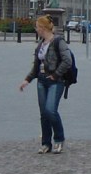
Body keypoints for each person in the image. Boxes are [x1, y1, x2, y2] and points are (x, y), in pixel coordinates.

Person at [19, 15, 72, 153]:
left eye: (37, 26)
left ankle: (59, 139)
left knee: (50, 110)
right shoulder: (41, 44)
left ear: (42, 28)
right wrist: (27, 80)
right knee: (44, 113)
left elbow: (67, 61)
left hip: (55, 81)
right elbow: (36, 65)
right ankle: (46, 143)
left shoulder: (58, 42)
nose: (36, 29)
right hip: (42, 80)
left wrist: (55, 75)